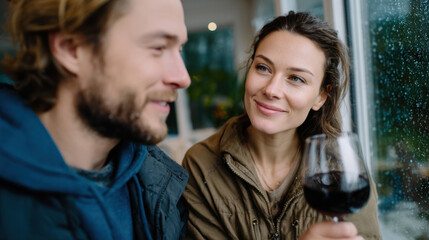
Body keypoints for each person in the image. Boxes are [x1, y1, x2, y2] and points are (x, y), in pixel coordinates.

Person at [182, 11, 382, 240]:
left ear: (321, 97)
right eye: (263, 68)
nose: (271, 90)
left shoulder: (345, 173)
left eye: (296, 78)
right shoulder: (201, 165)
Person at [0, 0, 190, 239]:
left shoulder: (163, 186)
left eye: (179, 50)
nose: (183, 78)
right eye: (158, 47)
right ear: (71, 49)